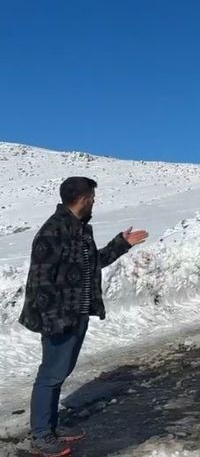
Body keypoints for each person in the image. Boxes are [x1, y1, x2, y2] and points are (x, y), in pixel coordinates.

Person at [19, 177, 149, 457]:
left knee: (60, 372)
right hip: (59, 317)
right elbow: (40, 279)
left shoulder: (79, 230)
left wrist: (121, 244)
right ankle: (41, 435)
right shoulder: (53, 231)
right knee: (50, 374)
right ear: (83, 199)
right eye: (92, 197)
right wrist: (53, 319)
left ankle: (50, 426)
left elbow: (93, 264)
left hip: (76, 313)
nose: (94, 202)